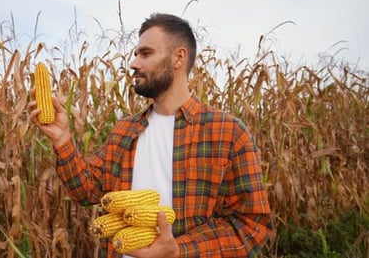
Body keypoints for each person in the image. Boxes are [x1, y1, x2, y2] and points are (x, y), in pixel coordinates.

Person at [28, 13, 273, 258]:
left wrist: (179, 251)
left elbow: (251, 227)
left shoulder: (227, 133)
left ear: (178, 58)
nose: (134, 63)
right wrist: (62, 139)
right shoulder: (125, 130)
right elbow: (87, 190)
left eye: (145, 54)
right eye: (135, 54)